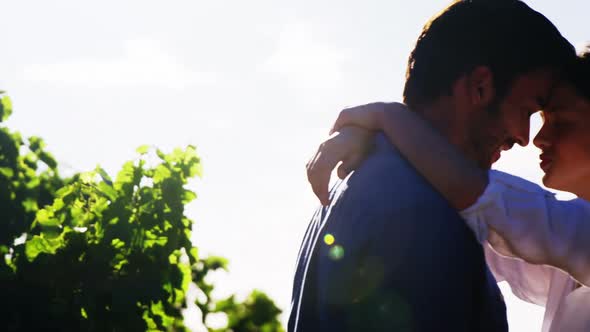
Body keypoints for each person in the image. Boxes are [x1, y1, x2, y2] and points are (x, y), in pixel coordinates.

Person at [288, 1, 575, 331]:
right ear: (480, 87)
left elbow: (509, 211)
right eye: (526, 111)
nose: (525, 138)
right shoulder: (418, 208)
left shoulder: (377, 180)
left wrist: (386, 118)